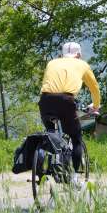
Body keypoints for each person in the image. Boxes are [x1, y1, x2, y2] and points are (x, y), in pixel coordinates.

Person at [39, 41, 100, 184]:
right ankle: (74, 177)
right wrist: (96, 106)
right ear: (78, 55)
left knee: (51, 135)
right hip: (66, 101)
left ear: (62, 54)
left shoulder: (52, 63)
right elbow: (94, 88)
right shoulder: (82, 64)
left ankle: (46, 168)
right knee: (76, 138)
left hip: (45, 100)